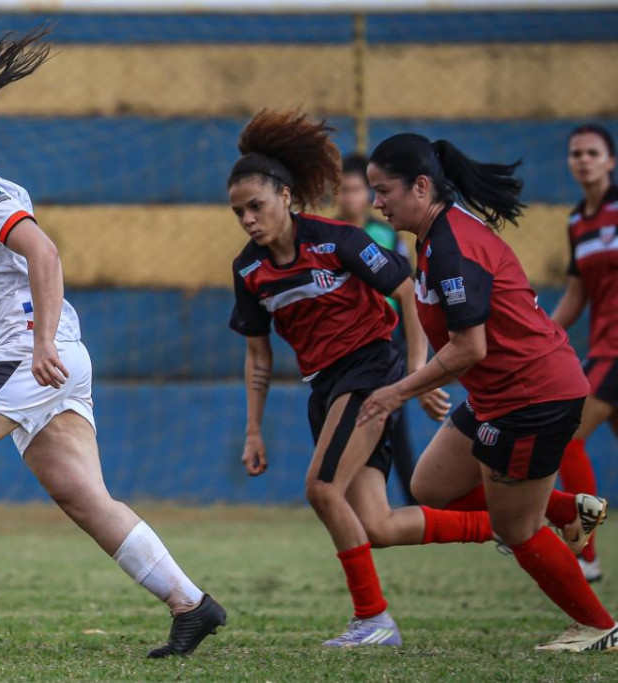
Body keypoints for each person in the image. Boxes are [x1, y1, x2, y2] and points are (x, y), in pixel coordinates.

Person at [0, 25, 225, 658]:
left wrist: (40, 344)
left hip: (32, 351)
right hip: (26, 351)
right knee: (83, 496)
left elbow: (43, 252)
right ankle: (191, 604)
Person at [228, 109, 497, 648]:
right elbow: (258, 357)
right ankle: (516, 524)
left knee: (321, 490)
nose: (249, 220)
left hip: (369, 372)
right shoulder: (248, 270)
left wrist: (417, 372)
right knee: (377, 525)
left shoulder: (338, 241)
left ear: (286, 196)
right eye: (239, 212)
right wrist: (254, 430)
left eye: (256, 205)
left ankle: (373, 619)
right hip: (324, 388)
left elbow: (406, 290)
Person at [358, 132, 615, 651]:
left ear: (421, 186)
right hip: (500, 393)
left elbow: (469, 347)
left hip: (533, 397)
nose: (376, 203)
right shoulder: (435, 235)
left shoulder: (452, 245)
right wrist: (425, 379)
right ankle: (567, 510)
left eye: (383, 191)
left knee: (516, 529)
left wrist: (398, 391)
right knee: (430, 485)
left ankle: (598, 626)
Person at [550, 124, 618, 583]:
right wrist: (544, 334)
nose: (584, 160)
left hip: (614, 353)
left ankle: (585, 554)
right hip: (603, 346)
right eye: (576, 153)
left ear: (610, 161)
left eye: (593, 152)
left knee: (566, 437)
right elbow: (576, 292)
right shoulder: (578, 221)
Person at [336, 153, 419, 505]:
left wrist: (412, 354)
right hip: (344, 348)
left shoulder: (384, 234)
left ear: (368, 194)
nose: (348, 197)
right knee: (347, 428)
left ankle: (414, 501)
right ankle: (352, 503)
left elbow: (406, 289)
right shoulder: (328, 236)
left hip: (385, 343)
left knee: (393, 427)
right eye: (342, 190)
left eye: (355, 189)